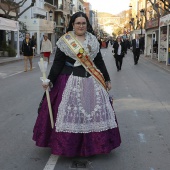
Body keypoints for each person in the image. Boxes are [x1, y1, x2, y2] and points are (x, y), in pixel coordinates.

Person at [33, 12, 121, 157]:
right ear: (72, 24)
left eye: (83, 23)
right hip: (69, 80)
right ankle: (69, 146)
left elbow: (99, 61)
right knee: (70, 113)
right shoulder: (65, 40)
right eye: (78, 23)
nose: (81, 25)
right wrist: (50, 80)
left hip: (91, 80)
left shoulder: (93, 40)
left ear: (87, 25)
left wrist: (107, 79)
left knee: (90, 113)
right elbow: (57, 64)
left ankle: (93, 145)